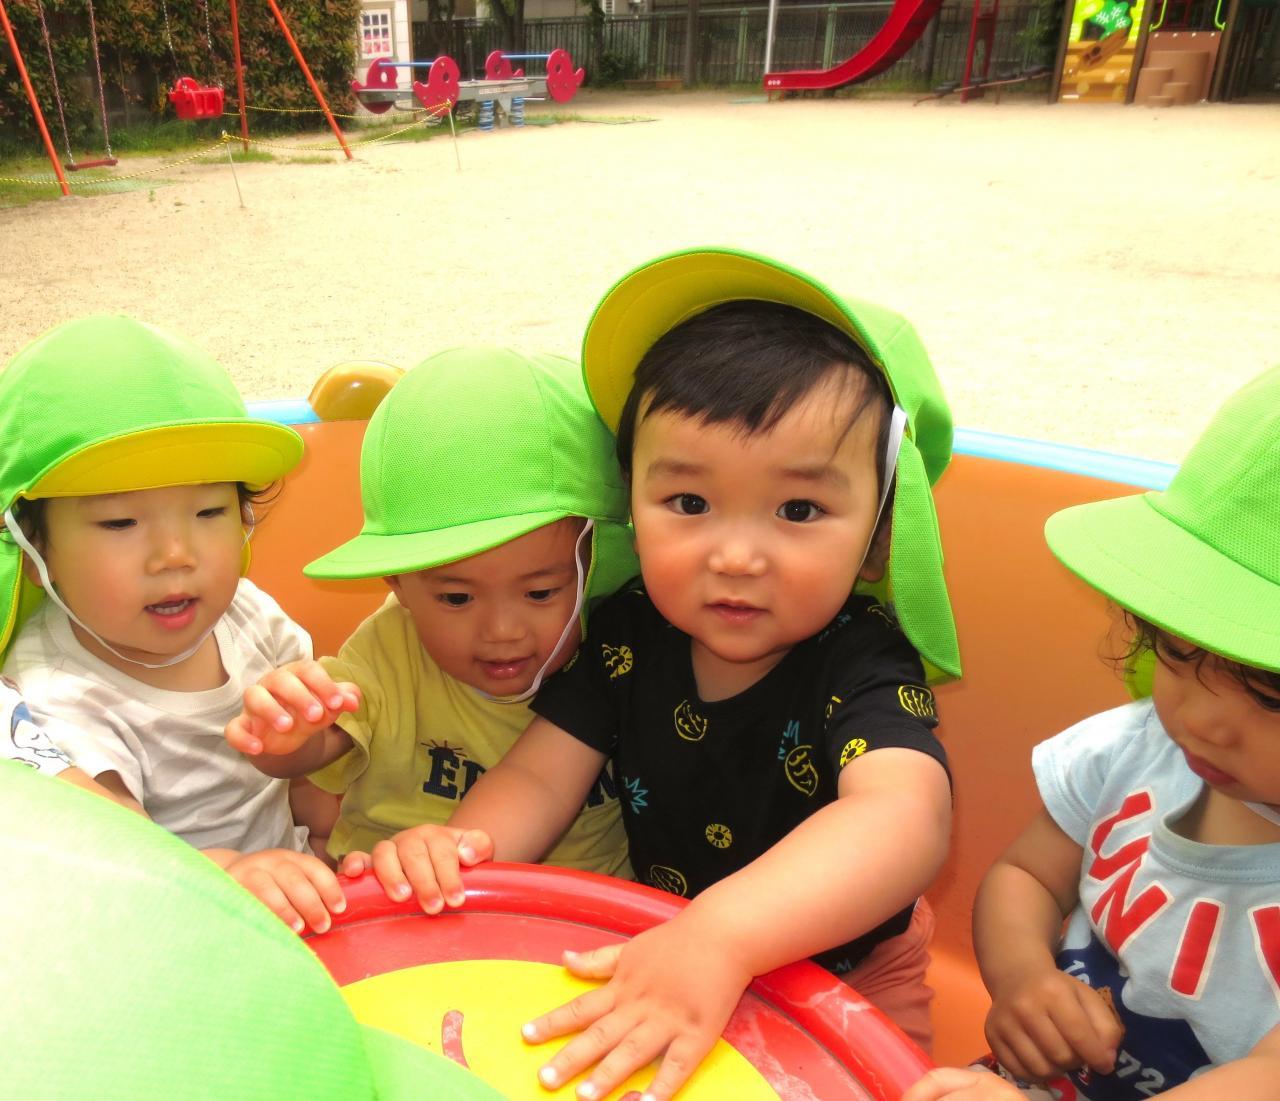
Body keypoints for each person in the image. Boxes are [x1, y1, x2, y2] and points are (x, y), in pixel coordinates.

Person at [368, 248, 964, 1101]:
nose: (735, 555)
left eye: (798, 509)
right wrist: (462, 848)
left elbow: (904, 817)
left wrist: (723, 935)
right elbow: (541, 775)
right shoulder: (628, 632)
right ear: (629, 504)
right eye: (689, 503)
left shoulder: (860, 659)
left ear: (879, 536)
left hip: (848, 973)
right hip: (665, 950)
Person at [905, 366, 1280, 1100]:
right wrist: (1023, 980)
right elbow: (1027, 875)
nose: (1201, 718)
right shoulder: (1131, 749)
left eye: (1270, 693)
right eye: (1178, 650)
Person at [224, 347, 638, 890]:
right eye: (457, 599)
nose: (502, 631)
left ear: (595, 563)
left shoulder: (622, 642)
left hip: (585, 909)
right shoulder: (388, 649)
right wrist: (289, 735)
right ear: (397, 582)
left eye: (540, 592)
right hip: (396, 896)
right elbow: (325, 742)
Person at [0, 315, 346, 935]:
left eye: (209, 511)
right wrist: (230, 874)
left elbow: (308, 781)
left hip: (294, 889)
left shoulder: (248, 613)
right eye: (120, 523)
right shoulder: (58, 694)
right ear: (32, 551)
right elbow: (120, 855)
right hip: (173, 923)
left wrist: (327, 824)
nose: (175, 555)